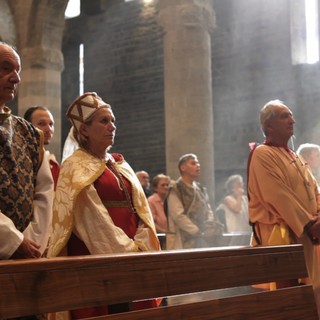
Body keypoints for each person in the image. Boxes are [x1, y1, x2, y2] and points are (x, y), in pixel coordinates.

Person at [47, 92, 160, 319]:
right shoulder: (74, 167)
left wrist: (142, 245)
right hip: (97, 261)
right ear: (84, 130)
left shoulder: (120, 163)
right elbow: (92, 222)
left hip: (134, 257)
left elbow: (142, 212)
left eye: (113, 121)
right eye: (104, 121)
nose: (112, 126)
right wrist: (129, 253)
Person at [247, 99, 320, 317]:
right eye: (284, 116)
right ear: (268, 126)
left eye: (291, 115)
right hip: (281, 238)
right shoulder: (262, 154)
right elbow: (278, 195)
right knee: (288, 302)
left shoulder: (295, 157)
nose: (292, 120)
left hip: (306, 234)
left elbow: (314, 190)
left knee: (312, 293)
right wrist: (309, 224)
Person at [0, 41, 53, 260]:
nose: (16, 78)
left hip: (26, 256)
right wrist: (13, 241)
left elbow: (44, 193)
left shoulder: (30, 134)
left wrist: (31, 240)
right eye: (5, 68)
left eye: (17, 70)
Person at [166, 153, 224, 250]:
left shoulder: (200, 189)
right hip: (182, 238)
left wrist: (208, 227)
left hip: (203, 238)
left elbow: (208, 210)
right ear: (183, 168)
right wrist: (198, 232)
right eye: (193, 163)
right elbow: (178, 215)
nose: (198, 165)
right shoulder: (175, 188)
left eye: (198, 163)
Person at [24, 106, 60, 189]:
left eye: (51, 124)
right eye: (42, 124)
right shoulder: (22, 158)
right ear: (27, 126)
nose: (49, 129)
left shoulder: (53, 164)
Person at [148, 174, 171, 248]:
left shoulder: (170, 200)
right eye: (163, 185)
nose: (166, 187)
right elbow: (151, 222)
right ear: (155, 188)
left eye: (167, 185)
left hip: (170, 237)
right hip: (159, 237)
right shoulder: (151, 201)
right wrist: (165, 232)